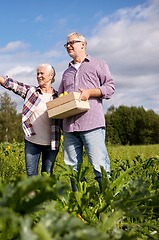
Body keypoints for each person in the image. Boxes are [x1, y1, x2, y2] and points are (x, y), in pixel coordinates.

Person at [0, 64, 61, 177]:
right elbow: (11, 84)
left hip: (51, 143)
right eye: (38, 73)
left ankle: (46, 195)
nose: (39, 76)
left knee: (47, 175)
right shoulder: (31, 91)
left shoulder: (58, 97)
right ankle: (32, 195)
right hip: (32, 141)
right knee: (31, 176)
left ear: (51, 76)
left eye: (42, 73)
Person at [58, 32, 115, 192]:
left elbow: (110, 88)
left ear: (83, 44)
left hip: (92, 125)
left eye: (72, 43)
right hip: (69, 128)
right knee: (73, 170)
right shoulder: (66, 73)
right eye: (66, 44)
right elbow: (61, 96)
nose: (68, 46)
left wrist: (90, 92)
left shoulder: (98, 64)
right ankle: (80, 207)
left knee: (100, 167)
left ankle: (109, 206)